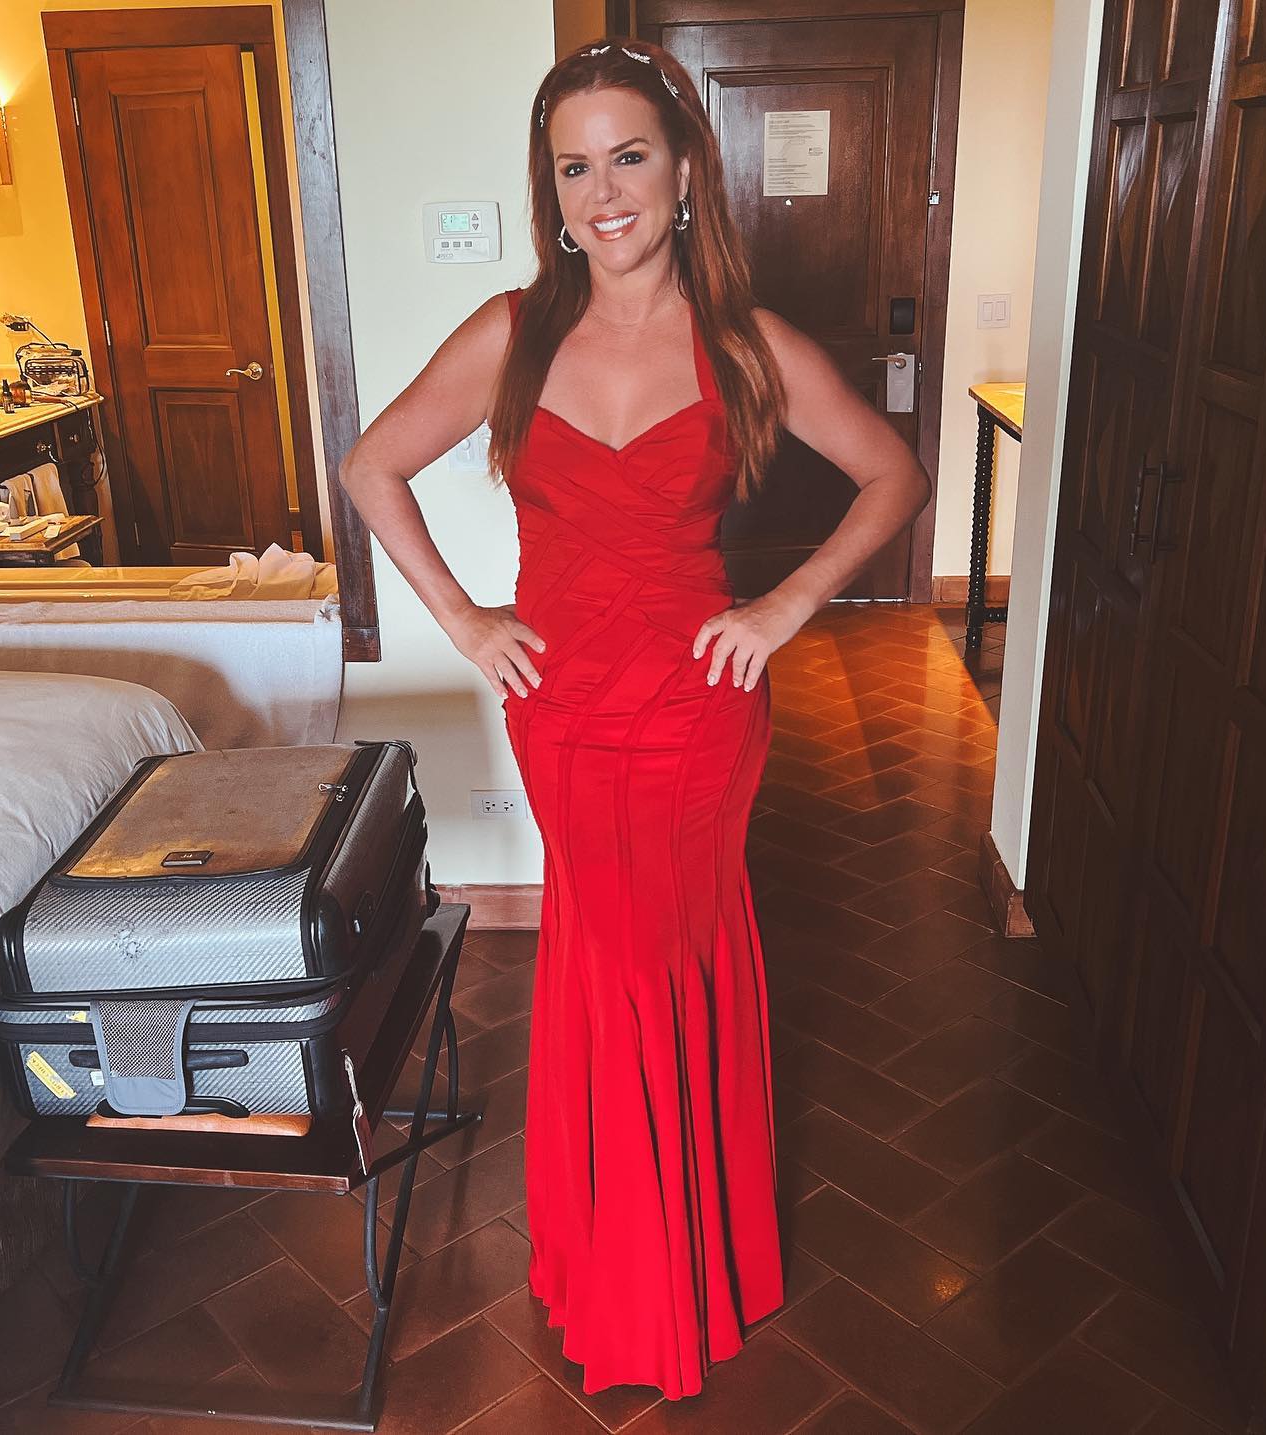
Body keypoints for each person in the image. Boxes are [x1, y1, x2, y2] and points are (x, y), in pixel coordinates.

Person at [340, 38, 930, 1400]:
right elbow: (372, 466)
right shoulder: (512, 333)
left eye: (628, 157)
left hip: (696, 713)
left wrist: (785, 605)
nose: (603, 192)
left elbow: (892, 476)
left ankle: (666, 1274)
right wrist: (468, 620)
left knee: (667, 960)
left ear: (684, 171)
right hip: (562, 713)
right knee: (603, 961)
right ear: (550, 193)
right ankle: (621, 1260)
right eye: (573, 168)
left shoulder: (746, 345)